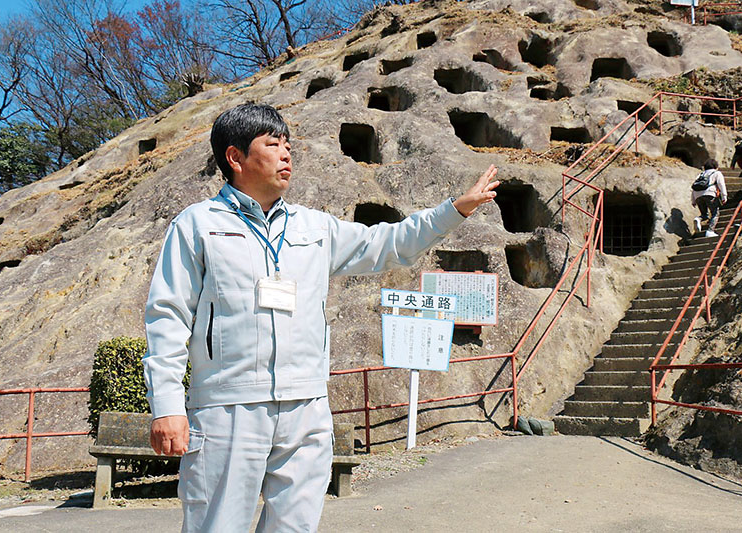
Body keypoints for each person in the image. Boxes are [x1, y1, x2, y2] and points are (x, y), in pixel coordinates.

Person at [142, 103, 499, 532]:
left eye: (288, 145)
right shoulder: (198, 225)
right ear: (235, 158)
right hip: (228, 405)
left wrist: (452, 211)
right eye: (272, 145)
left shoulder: (314, 227)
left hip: (307, 406)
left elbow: (389, 243)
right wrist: (166, 406)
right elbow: (167, 316)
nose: (287, 154)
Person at [692, 158, 727, 238]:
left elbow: (694, 187)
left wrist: (693, 200)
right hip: (710, 194)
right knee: (715, 212)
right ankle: (710, 231)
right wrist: (724, 196)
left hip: (697, 196)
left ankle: (698, 219)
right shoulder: (717, 173)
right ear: (715, 166)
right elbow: (721, 184)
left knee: (704, 215)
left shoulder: (700, 174)